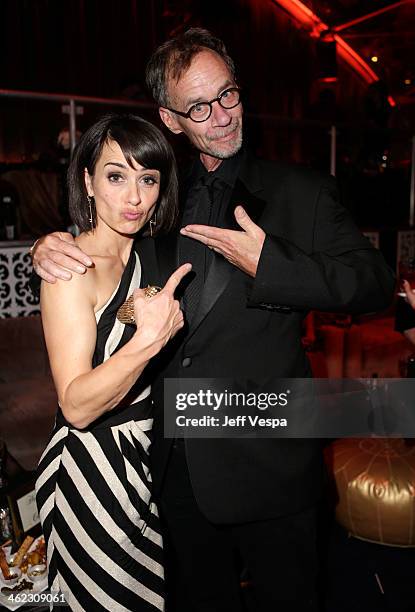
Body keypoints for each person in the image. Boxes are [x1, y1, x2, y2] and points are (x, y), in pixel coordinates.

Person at [32, 29, 395, 612]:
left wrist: (272, 264)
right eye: (199, 106)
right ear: (172, 120)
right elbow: (105, 255)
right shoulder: (154, 200)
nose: (221, 116)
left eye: (228, 95)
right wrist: (47, 245)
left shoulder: (302, 192)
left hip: (270, 462)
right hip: (168, 474)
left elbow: (375, 283)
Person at [34, 113, 191, 611]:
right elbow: (76, 405)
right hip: (87, 468)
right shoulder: (70, 269)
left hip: (137, 461)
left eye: (147, 179)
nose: (134, 197)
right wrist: (149, 340)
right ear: (88, 181)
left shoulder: (149, 257)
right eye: (116, 176)